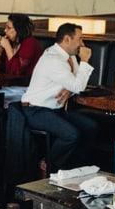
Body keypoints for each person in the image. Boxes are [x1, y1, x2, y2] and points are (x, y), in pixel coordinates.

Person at [20, 22, 100, 169]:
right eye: (80, 39)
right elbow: (78, 85)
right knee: (71, 135)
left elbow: (75, 84)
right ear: (67, 39)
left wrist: (70, 89)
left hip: (54, 109)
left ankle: (75, 166)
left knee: (91, 126)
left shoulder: (70, 57)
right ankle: (48, 165)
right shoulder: (53, 59)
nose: (82, 44)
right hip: (36, 110)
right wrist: (85, 61)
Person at [0, 13, 41, 78]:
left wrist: (7, 47)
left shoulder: (30, 43)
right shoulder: (12, 43)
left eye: (9, 28)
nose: (5, 30)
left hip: (24, 86)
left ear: (19, 29)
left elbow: (17, 72)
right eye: (5, 27)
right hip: (9, 85)